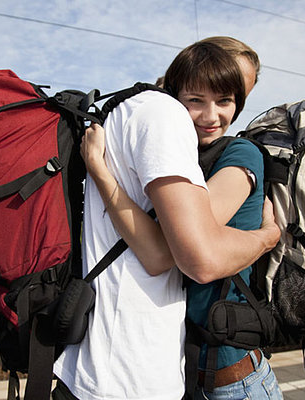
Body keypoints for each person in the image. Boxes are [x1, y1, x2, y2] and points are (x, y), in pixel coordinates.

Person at [53, 40, 281, 400]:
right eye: (196, 100)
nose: (211, 116)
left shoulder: (240, 153)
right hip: (192, 368)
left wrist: (270, 236)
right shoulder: (186, 153)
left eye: (226, 100)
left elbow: (185, 249)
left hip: (234, 376)